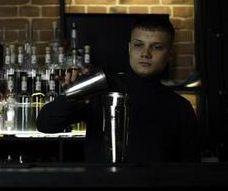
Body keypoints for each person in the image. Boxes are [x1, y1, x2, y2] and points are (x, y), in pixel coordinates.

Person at [36, 16, 200, 163]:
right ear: (129, 48)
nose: (145, 53)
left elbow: (190, 170)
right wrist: (71, 96)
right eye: (138, 45)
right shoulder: (100, 89)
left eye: (156, 47)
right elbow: (45, 125)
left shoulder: (180, 108)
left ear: (170, 55)